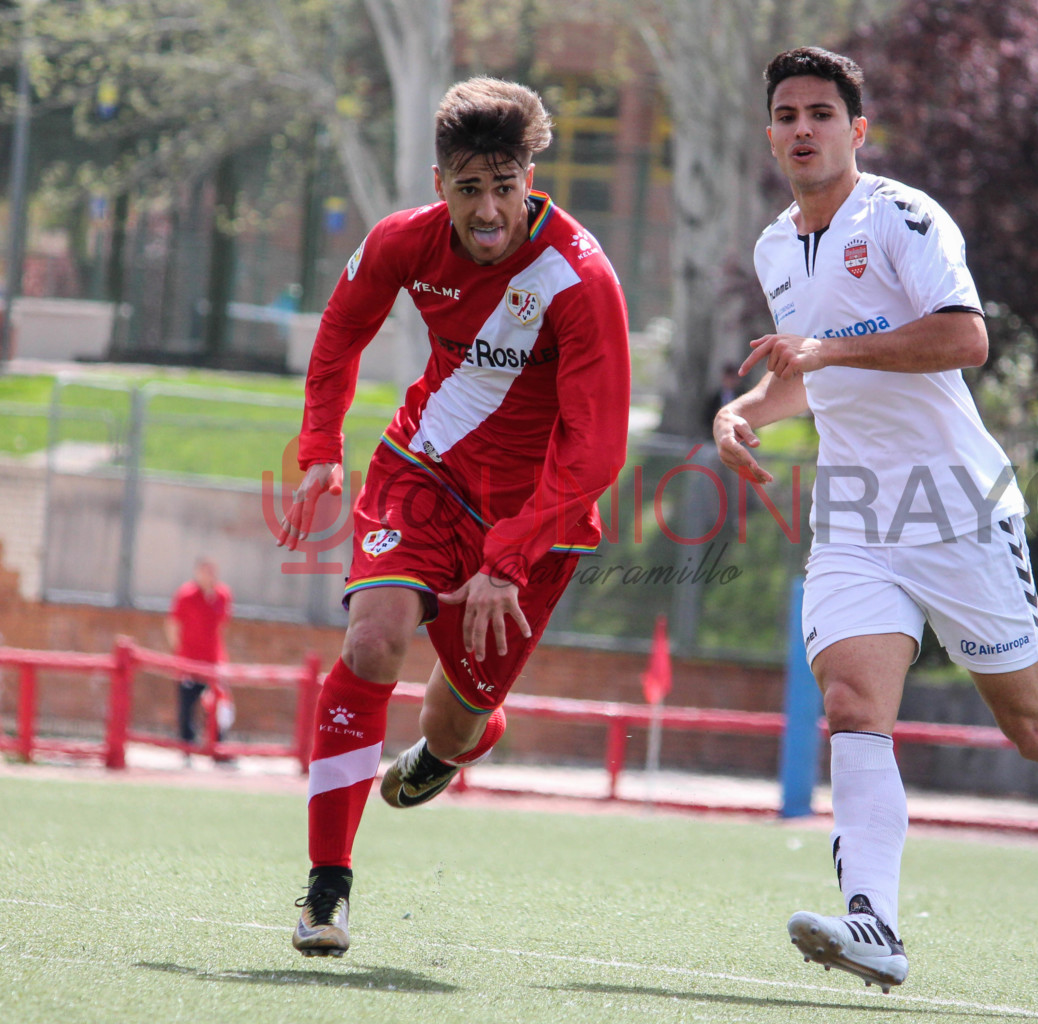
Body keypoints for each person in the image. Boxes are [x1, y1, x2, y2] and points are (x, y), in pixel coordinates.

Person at [714, 46, 1038, 994]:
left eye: (822, 113)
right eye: (786, 114)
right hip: (857, 514)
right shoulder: (773, 245)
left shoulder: (903, 216)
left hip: (957, 505)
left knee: (1035, 730)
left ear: (856, 131)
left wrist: (823, 349)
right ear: (770, 131)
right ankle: (874, 925)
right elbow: (812, 382)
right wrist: (743, 412)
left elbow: (963, 336)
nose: (802, 129)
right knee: (854, 706)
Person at [277, 77, 630, 958]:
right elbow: (341, 329)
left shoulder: (580, 279)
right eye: (468, 188)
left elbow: (594, 453)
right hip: (421, 474)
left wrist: (508, 556)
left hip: (539, 517)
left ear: (529, 177)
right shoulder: (404, 241)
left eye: (503, 186)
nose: (486, 210)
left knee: (455, 721)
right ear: (440, 184)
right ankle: (327, 890)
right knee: (371, 643)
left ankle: (461, 736)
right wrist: (321, 444)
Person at [165, 557, 233, 763]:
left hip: (213, 662)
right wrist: (179, 653)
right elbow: (172, 625)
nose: (209, 576)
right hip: (189, 661)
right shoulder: (185, 594)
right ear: (197, 572)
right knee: (187, 704)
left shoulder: (222, 595)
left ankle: (217, 746)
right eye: (205, 571)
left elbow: (222, 627)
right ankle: (187, 745)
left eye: (212, 571)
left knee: (219, 705)